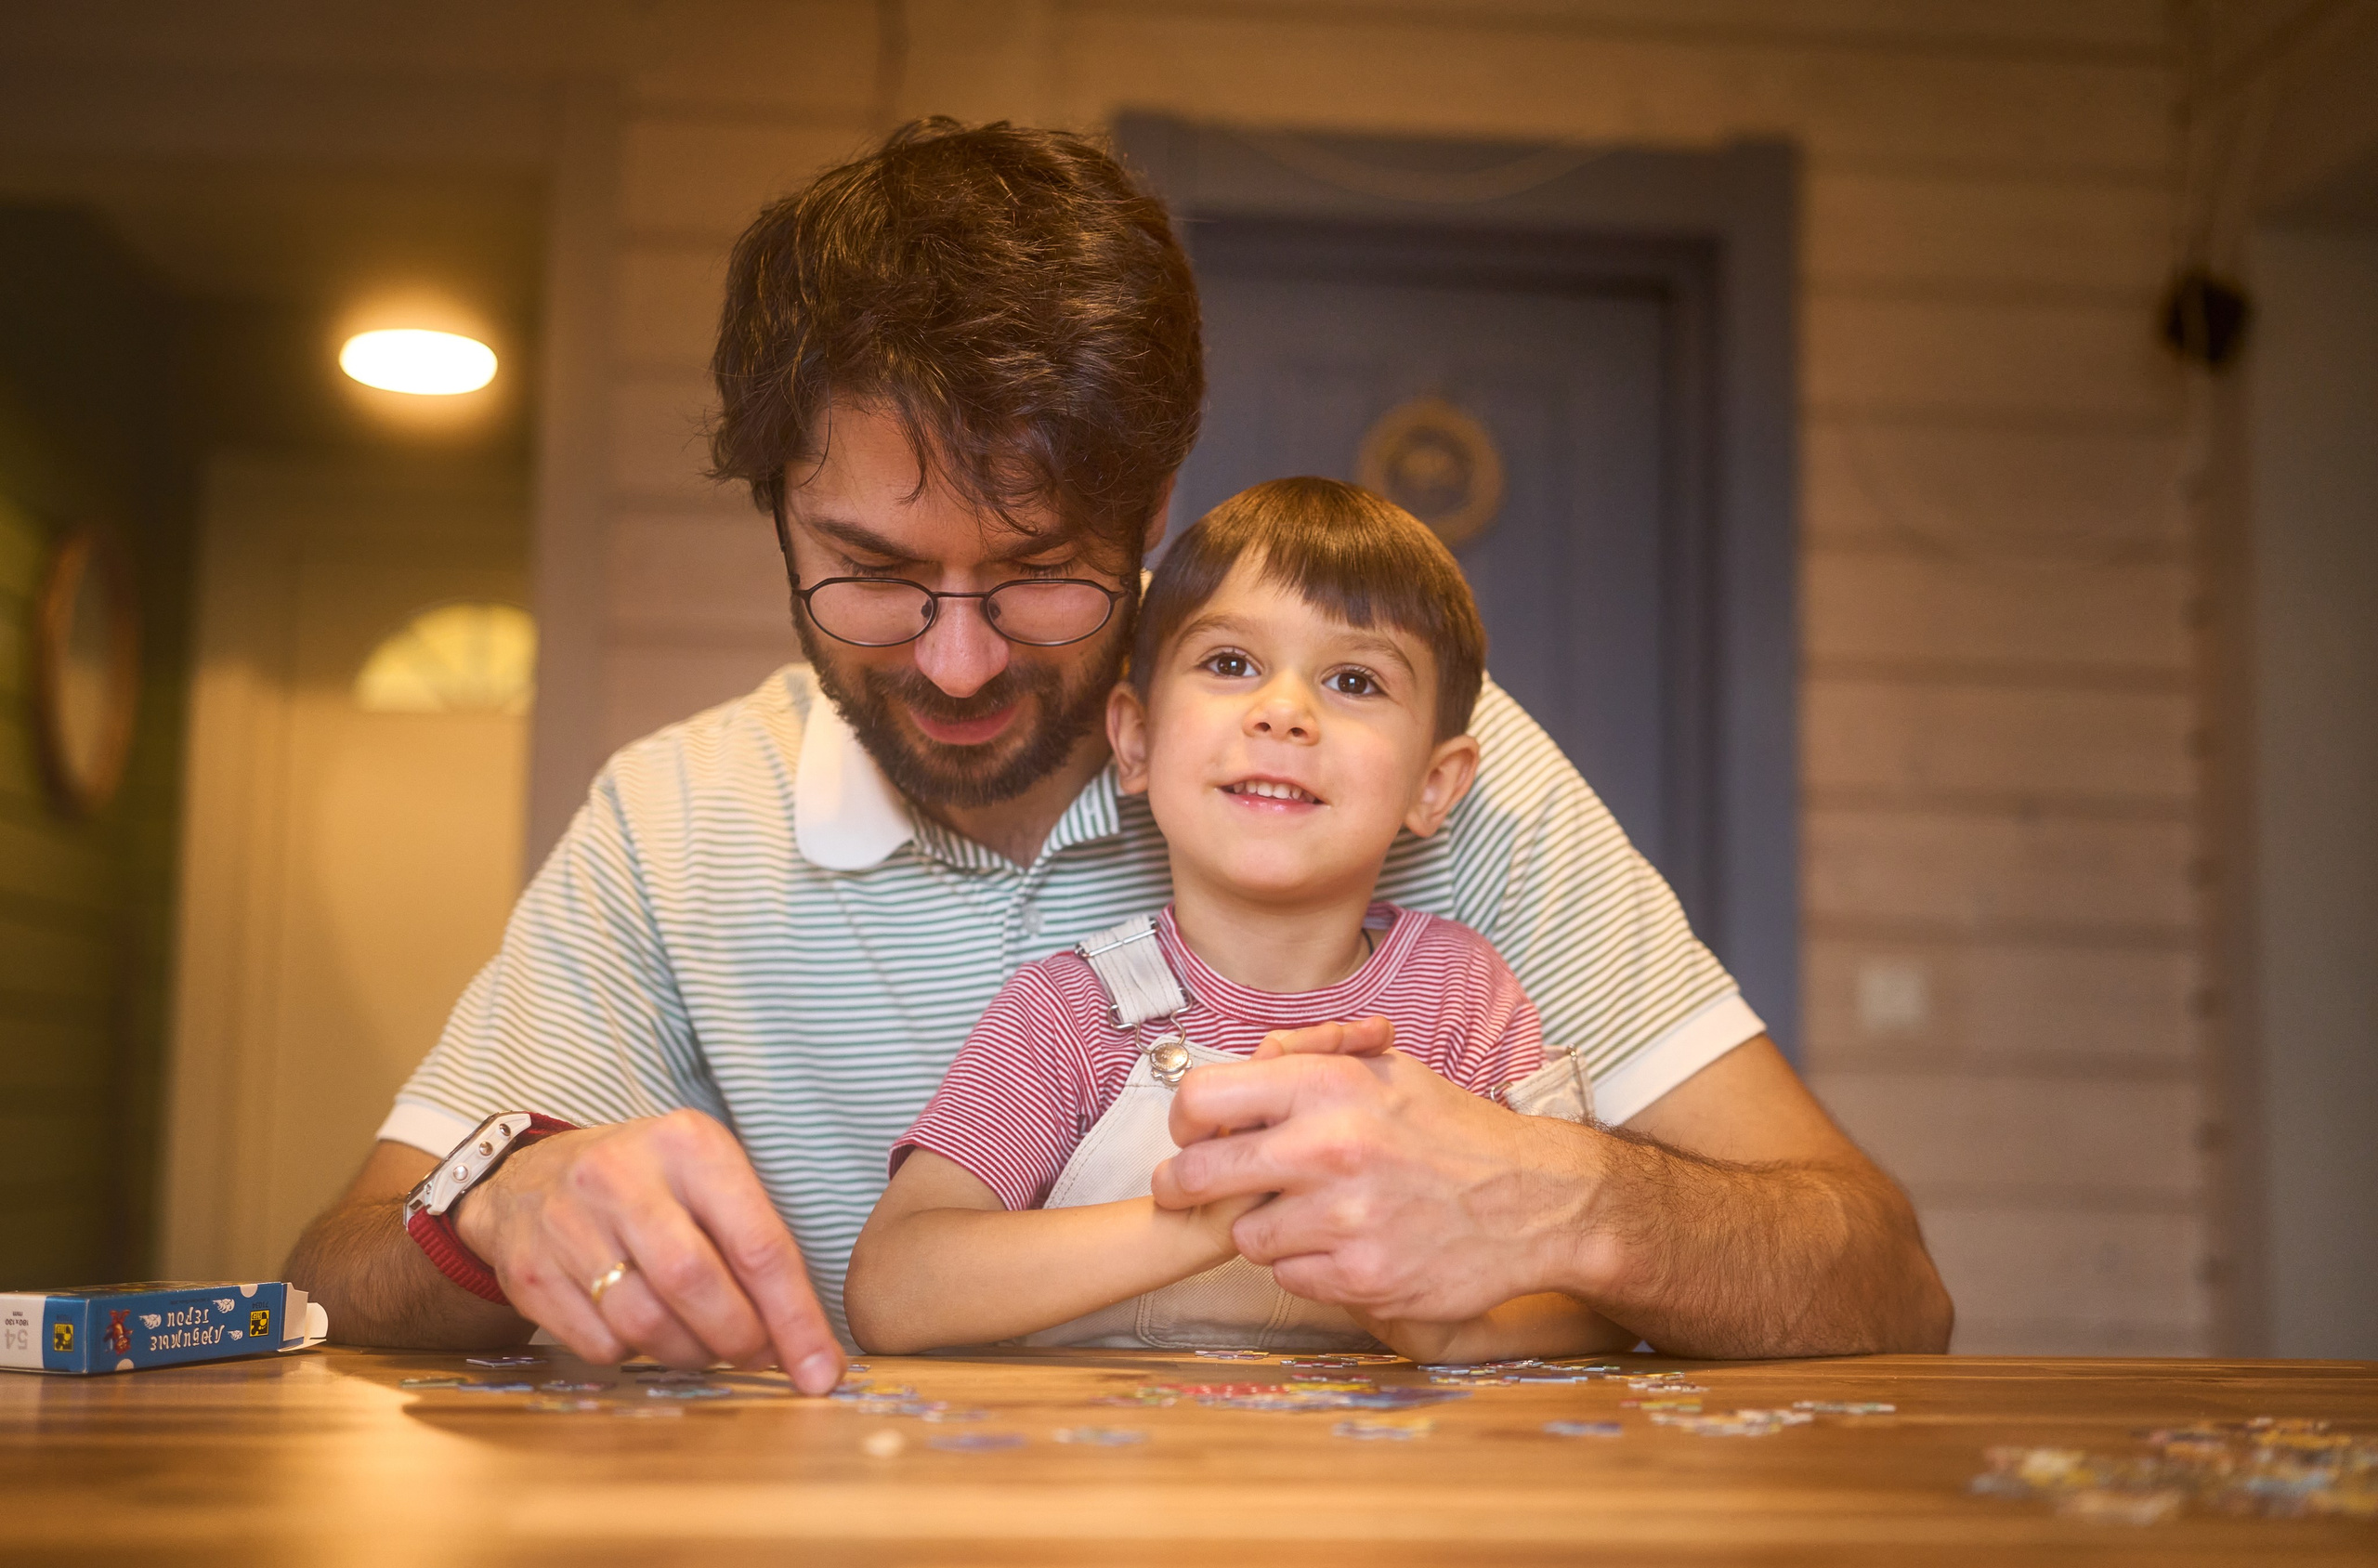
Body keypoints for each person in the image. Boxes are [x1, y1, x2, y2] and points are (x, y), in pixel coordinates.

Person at [284, 120, 1952, 1391]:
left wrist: (1578, 1209)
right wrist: (497, 1210)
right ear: (776, 504)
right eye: (868, 572)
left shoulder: (1410, 766)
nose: (950, 661)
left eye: (1035, 576)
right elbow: (333, 1279)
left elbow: (1888, 1281)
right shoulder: (670, 826)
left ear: (1153, 513)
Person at [846, 478, 1625, 1363]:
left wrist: (1443, 1321)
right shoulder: (1066, 1015)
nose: (1284, 711)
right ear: (1136, 740)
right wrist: (1217, 1214)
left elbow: (1601, 1289)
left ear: (1433, 784)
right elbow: (893, 1289)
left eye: (1354, 679)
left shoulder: (1462, 1000)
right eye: (1229, 664)